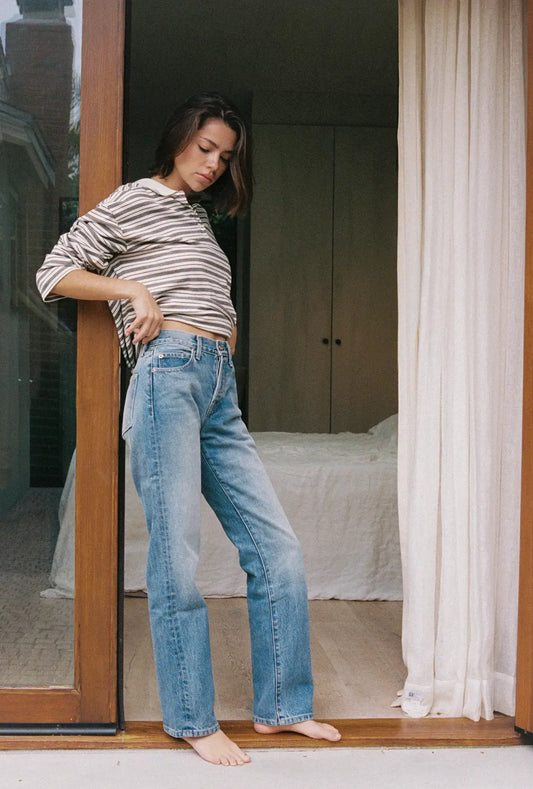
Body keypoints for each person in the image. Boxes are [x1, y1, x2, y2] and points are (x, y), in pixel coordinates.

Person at [36, 93, 341, 766]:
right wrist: (135, 293)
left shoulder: (199, 219)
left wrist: (224, 339)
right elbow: (53, 272)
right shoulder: (132, 199)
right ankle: (191, 717)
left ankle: (283, 706)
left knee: (276, 545)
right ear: (177, 139)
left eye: (224, 156)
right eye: (204, 148)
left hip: (215, 387)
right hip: (167, 374)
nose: (212, 164)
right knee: (176, 551)